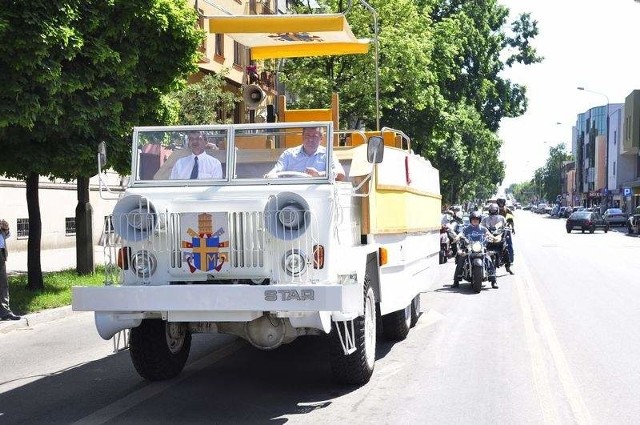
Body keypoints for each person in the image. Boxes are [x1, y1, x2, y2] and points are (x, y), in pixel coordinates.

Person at [265, 126, 346, 181]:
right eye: (307, 135)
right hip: (291, 195)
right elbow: (276, 170)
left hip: (319, 195)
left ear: (321, 138)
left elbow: (341, 174)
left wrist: (320, 175)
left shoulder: (328, 154)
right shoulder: (288, 154)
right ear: (302, 137)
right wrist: (270, 175)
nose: (310, 139)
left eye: (314, 136)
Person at [453, 210, 498, 289]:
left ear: (479, 220)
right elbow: (461, 233)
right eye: (473, 219)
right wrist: (457, 237)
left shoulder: (483, 229)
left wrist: (493, 238)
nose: (475, 220)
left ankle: (493, 280)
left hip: (481, 248)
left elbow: (488, 234)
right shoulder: (467, 228)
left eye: (477, 219)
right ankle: (456, 280)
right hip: (469, 247)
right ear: (470, 220)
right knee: (461, 258)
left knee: (489, 259)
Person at [482, 203, 513, 274]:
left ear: (497, 210)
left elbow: (505, 226)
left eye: (494, 210)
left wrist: (507, 229)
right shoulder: (485, 219)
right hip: (489, 237)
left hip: (499, 236)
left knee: (505, 250)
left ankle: (508, 267)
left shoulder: (501, 218)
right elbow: (482, 227)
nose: (493, 211)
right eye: (491, 210)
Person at [0, 218, 20, 321]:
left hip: (1, 255)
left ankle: (5, 312)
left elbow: (6, 235)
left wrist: (6, 228)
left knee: (3, 285)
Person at [496, 198, 515, 267]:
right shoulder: (495, 210)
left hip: (506, 229)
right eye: (500, 202)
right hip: (496, 230)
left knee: (509, 244)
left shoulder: (507, 210)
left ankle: (510, 259)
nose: (501, 204)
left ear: (504, 203)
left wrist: (513, 228)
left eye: (502, 202)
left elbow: (511, 220)